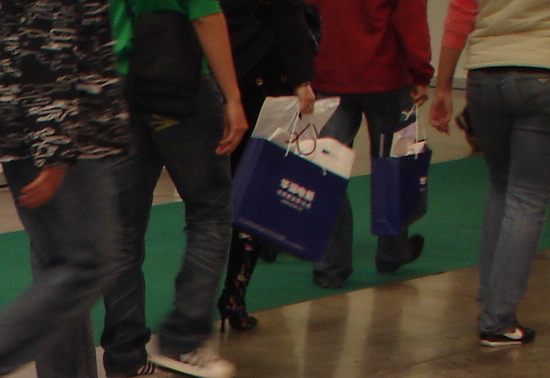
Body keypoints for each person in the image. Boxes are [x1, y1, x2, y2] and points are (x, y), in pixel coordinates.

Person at [0, 0, 132, 378]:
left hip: (37, 124)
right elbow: (48, 44)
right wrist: (54, 151)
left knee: (60, 263)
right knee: (87, 261)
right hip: (60, 129)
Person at [99, 0, 250, 378]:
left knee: (122, 226)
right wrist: (233, 97)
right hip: (180, 81)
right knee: (210, 211)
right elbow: (205, 16)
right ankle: (183, 340)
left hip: (115, 85)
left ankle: (124, 357)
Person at [431, 0, 550, 343]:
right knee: (528, 197)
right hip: (541, 71)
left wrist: (443, 86)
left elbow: (459, 16)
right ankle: (498, 320)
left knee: (500, 186)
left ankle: (490, 298)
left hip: (483, 76)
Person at [310, 0, 432, 287]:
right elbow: (410, 16)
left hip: (330, 71)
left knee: (329, 171)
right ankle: (392, 252)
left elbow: (307, 10)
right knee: (395, 167)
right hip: (387, 75)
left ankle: (330, 265)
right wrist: (421, 71)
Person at [214, 0, 317, 328]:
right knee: (254, 193)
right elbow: (288, 16)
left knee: (213, 197)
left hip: (208, 71)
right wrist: (302, 78)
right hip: (259, 75)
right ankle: (234, 294)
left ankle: (203, 300)